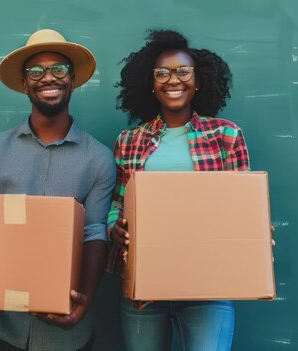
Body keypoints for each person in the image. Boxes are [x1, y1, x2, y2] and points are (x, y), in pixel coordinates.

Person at [0, 29, 115, 351]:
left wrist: (84, 302)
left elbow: (94, 232)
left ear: (72, 80)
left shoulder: (99, 157)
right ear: (24, 84)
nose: (48, 77)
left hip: (66, 335)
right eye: (36, 71)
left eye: (59, 69)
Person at [107, 30, 250, 351]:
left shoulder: (225, 135)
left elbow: (244, 204)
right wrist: (114, 228)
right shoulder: (129, 140)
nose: (173, 80)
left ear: (198, 81)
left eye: (183, 71)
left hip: (208, 288)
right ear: (151, 84)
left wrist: (252, 228)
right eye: (162, 73)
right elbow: (118, 202)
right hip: (144, 289)